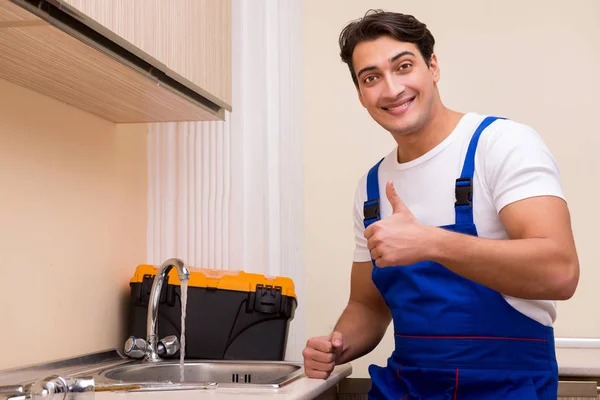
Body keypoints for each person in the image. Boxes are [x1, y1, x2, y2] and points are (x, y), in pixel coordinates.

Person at [302, 9, 580, 400]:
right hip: (406, 388)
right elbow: (367, 304)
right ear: (361, 95)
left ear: (432, 66)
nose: (392, 88)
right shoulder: (371, 187)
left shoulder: (501, 145)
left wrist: (431, 243)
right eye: (371, 77)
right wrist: (337, 344)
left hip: (507, 387)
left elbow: (560, 271)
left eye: (403, 66)